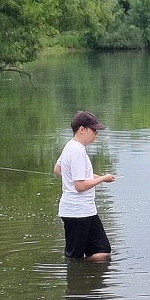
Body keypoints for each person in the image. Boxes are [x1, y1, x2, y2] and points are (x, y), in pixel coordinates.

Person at [54, 111, 116, 262]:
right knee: (74, 256)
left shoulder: (71, 146)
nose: (96, 133)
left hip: (86, 210)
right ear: (82, 129)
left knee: (102, 250)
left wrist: (90, 176)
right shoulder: (76, 151)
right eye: (94, 130)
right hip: (76, 212)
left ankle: (85, 276)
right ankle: (75, 278)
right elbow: (80, 186)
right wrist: (102, 179)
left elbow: (58, 169)